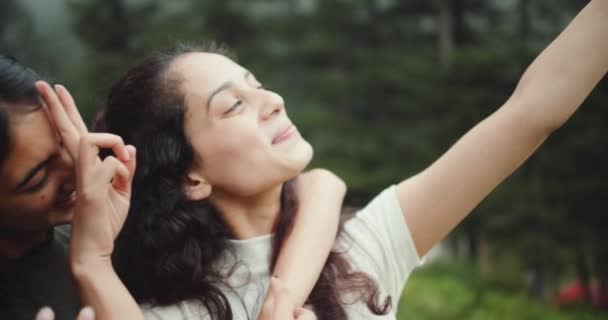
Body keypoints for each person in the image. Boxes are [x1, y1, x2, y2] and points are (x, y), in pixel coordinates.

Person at [93, 0, 608, 319]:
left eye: (258, 85)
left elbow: (531, 111)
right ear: (191, 175)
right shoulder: (167, 312)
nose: (272, 101)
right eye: (234, 105)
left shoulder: (365, 241)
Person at [0, 54, 341, 320]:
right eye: (38, 177)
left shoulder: (119, 213)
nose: (77, 172)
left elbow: (320, 186)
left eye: (65, 142)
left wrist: (284, 299)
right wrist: (92, 259)